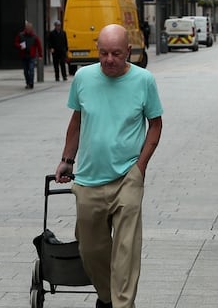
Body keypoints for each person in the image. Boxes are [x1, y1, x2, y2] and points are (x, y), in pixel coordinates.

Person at [54, 24, 163, 308]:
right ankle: (106, 298)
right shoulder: (83, 78)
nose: (109, 60)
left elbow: (155, 125)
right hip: (89, 180)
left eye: (116, 53)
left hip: (127, 177)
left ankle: (122, 305)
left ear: (129, 51)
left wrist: (140, 167)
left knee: (126, 251)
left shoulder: (144, 80)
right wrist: (67, 160)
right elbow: (77, 121)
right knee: (90, 249)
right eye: (103, 53)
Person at [14, 20, 43, 89]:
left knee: (31, 69)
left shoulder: (34, 37)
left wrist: (40, 55)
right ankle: (27, 82)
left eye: (30, 29)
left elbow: (39, 46)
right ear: (25, 28)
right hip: (24, 56)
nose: (28, 30)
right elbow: (16, 43)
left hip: (31, 56)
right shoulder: (21, 35)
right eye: (27, 29)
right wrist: (20, 46)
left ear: (31, 29)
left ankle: (31, 83)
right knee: (25, 71)